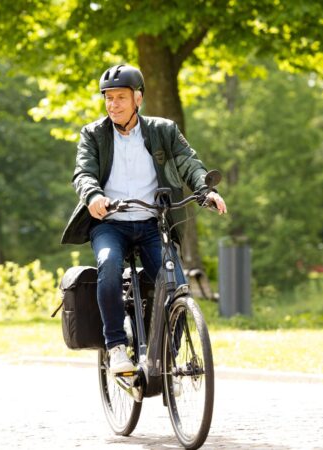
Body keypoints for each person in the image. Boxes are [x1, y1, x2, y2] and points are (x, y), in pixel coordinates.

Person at [61, 64, 227, 374]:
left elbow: (188, 163)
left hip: (153, 223)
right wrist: (93, 196)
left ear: (138, 98)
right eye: (108, 98)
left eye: (120, 98)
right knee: (109, 265)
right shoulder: (93, 134)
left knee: (177, 287)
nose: (113, 105)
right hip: (109, 223)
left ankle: (167, 359)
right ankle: (116, 347)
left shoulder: (163, 130)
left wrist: (206, 190)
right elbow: (83, 172)